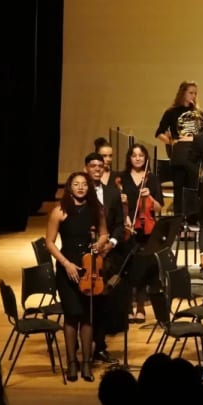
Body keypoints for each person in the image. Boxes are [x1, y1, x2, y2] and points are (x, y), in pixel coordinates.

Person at [45, 171, 110, 382]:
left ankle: (86, 363)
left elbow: (104, 234)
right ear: (69, 187)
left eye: (84, 184)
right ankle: (72, 362)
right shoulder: (59, 212)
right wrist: (65, 264)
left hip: (89, 268)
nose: (80, 187)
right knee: (72, 315)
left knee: (87, 316)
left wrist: (100, 243)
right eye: (76, 184)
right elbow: (50, 242)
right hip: (68, 267)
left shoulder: (95, 210)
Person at [116, 143, 164, 324]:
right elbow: (116, 205)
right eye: (134, 155)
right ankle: (128, 307)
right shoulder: (120, 179)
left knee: (143, 267)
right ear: (129, 158)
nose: (137, 158)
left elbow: (159, 208)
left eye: (141, 155)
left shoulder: (152, 179)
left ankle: (141, 307)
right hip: (127, 227)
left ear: (145, 158)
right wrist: (124, 214)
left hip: (147, 230)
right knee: (127, 268)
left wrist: (150, 196)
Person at [84, 152, 125, 364]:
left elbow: (119, 224)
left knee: (102, 304)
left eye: (101, 166)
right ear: (86, 169)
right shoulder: (78, 193)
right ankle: (82, 349)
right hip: (83, 257)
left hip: (106, 257)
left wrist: (112, 243)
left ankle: (99, 346)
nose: (98, 169)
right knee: (85, 303)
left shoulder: (112, 193)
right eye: (93, 166)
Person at [155, 80, 203, 220]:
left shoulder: (198, 113)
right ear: (183, 93)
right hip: (179, 155)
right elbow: (159, 133)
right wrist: (172, 141)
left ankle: (192, 221)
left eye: (195, 93)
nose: (193, 96)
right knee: (179, 189)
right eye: (190, 93)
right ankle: (178, 222)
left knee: (193, 189)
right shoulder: (171, 112)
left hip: (194, 156)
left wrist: (192, 139)